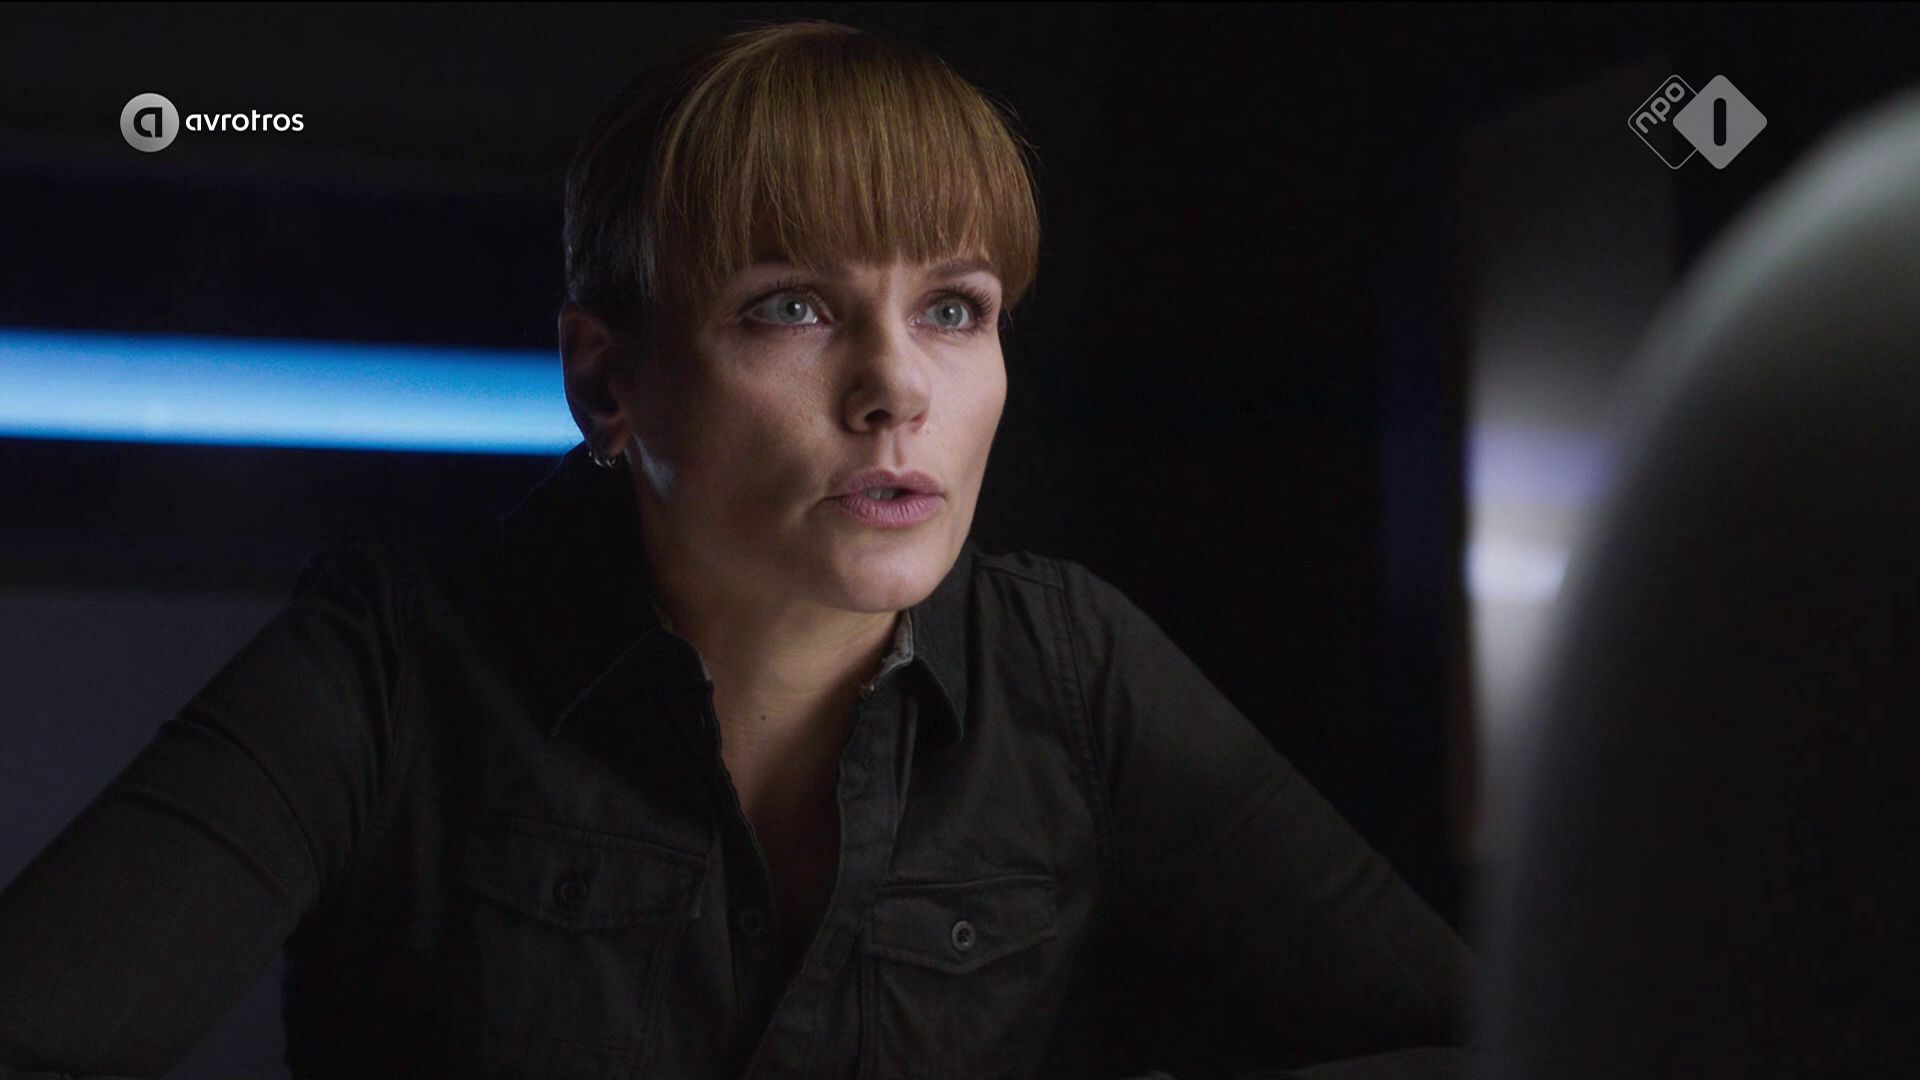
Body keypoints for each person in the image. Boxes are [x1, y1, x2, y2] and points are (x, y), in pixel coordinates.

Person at [0, 19, 1479, 1080]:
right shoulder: (393, 663)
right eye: (794, 307)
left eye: (953, 310)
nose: (896, 389)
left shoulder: (1072, 667)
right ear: (606, 382)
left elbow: (1477, 1038)